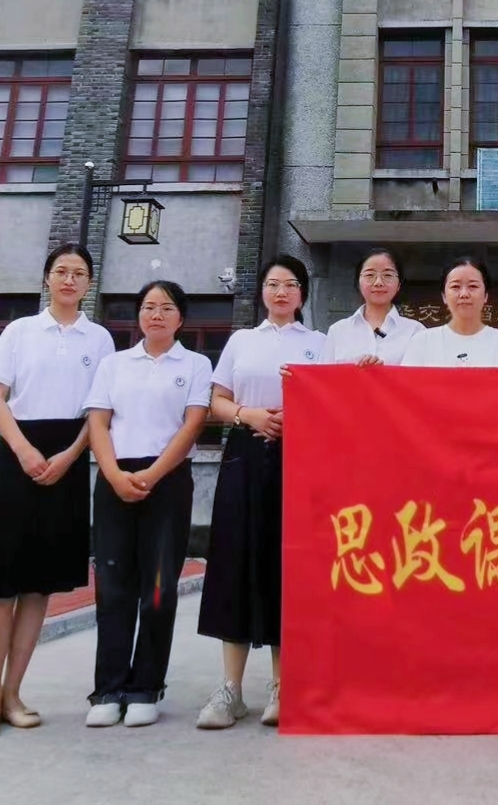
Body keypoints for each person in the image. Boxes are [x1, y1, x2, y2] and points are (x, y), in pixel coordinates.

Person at [0, 242, 114, 740]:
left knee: (38, 584)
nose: (69, 280)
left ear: (89, 283)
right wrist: (24, 450)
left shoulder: (100, 339)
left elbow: (100, 410)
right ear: (47, 278)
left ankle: (14, 694)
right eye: (61, 271)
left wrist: (70, 455)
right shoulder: (20, 331)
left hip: (69, 457)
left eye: (79, 273)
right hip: (16, 455)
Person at [197, 256, 323, 730]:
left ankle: (282, 685)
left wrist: (298, 417)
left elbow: (333, 400)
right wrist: (247, 415)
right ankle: (230, 690)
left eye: (290, 284)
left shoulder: (319, 343)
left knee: (284, 565)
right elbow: (216, 400)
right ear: (263, 292)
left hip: (300, 458)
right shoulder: (241, 340)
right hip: (244, 456)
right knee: (235, 561)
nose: (281, 292)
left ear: (303, 293)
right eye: (273, 284)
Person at [82, 280, 210, 729]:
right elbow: (98, 423)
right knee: (113, 585)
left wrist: (154, 475)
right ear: (139, 315)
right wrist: (113, 474)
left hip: (168, 481)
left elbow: (192, 425)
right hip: (115, 478)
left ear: (181, 318)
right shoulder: (114, 364)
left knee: (158, 587)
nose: (157, 314)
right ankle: (108, 688)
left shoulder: (195, 364)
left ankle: (145, 687)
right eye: (149, 307)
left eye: (167, 307)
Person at [401, 256, 498, 368]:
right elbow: (406, 385)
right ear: (444, 296)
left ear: (485, 295)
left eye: (473, 286)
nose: (464, 294)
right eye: (455, 287)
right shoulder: (422, 342)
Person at [324, 247, 423, 366]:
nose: (378, 282)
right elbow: (323, 375)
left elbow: (424, 376)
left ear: (399, 284)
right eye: (370, 275)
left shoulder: (416, 332)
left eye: (387, 275)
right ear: (358, 282)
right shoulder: (338, 331)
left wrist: (383, 373)